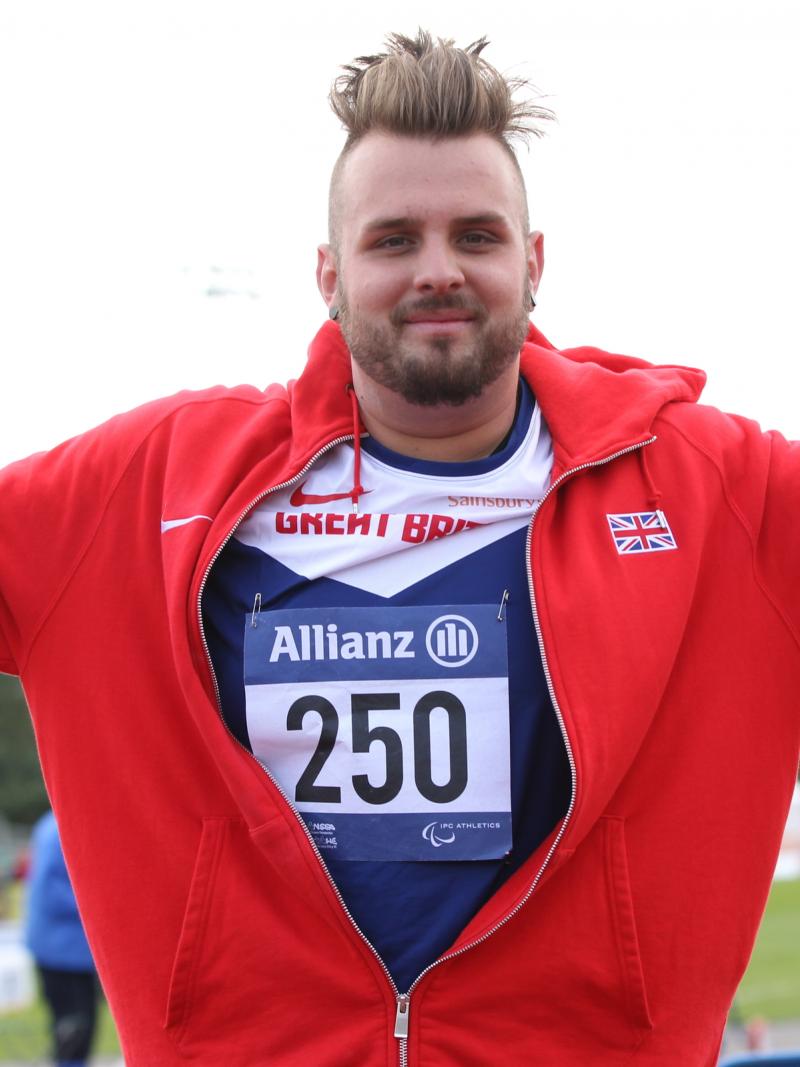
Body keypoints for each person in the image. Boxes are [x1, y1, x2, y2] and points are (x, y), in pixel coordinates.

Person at [0, 28, 798, 1066]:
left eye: (475, 234)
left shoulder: (715, 492)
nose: (437, 271)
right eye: (392, 240)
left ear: (532, 259)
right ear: (329, 272)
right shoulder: (149, 485)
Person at [25, 811, 99, 1067]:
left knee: (74, 1029)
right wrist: (100, 905)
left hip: (62, 948)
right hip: (63, 952)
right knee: (74, 1029)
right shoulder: (61, 826)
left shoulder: (51, 822)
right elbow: (49, 890)